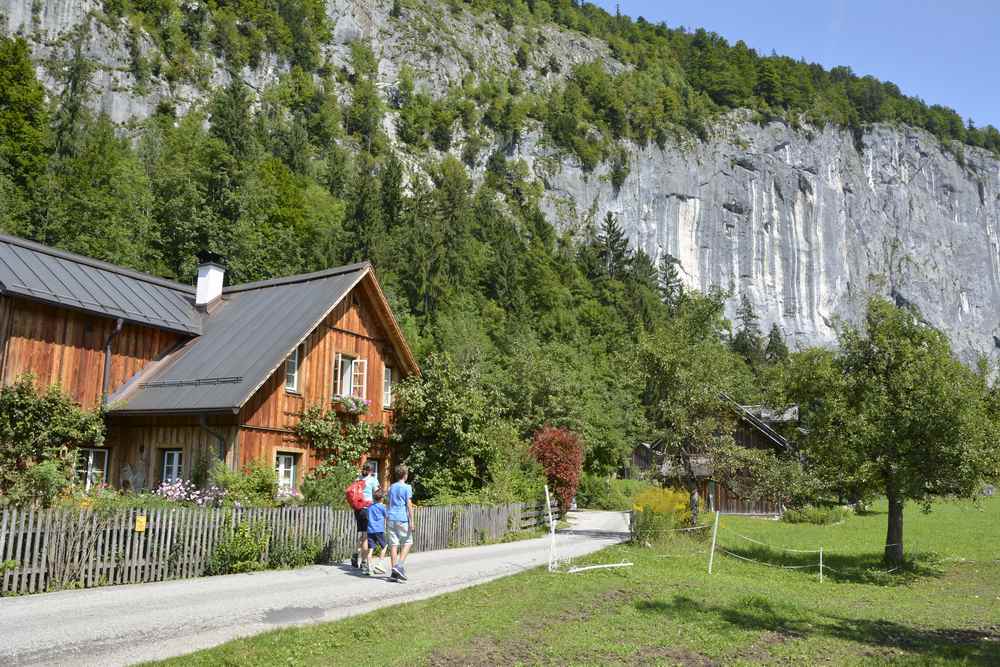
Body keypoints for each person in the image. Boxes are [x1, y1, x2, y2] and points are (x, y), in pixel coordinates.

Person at [387, 463, 414, 581]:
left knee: (393, 545)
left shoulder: (391, 487)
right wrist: (412, 521)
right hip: (402, 518)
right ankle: (399, 566)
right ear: (405, 475)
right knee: (408, 542)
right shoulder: (407, 487)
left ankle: (393, 573)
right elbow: (409, 505)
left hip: (391, 518)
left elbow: (389, 503)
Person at [351, 461, 380, 569]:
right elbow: (378, 495)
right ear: (371, 471)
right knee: (365, 536)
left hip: (357, 509)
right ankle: (363, 562)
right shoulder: (373, 480)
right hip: (367, 509)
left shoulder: (357, 479)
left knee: (362, 534)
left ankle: (355, 554)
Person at [365, 487, 388, 576]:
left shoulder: (369, 507)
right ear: (382, 498)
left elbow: (367, 517)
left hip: (370, 530)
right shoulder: (382, 507)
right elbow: (386, 516)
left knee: (371, 549)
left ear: (374, 498)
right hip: (379, 530)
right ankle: (380, 564)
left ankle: (369, 569)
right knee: (384, 546)